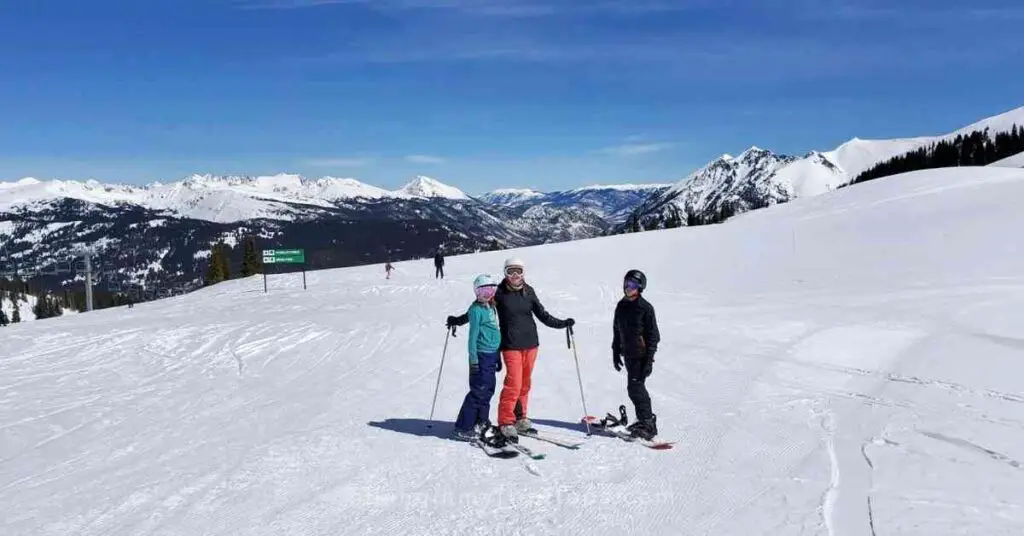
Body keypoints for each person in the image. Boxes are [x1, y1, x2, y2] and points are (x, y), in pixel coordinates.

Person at [447, 257, 574, 442]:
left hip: (531, 344)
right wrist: (457, 321)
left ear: (523, 272)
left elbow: (542, 314)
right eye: (510, 271)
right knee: (513, 384)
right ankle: (506, 421)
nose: (515, 275)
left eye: (518, 271)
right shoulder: (498, 292)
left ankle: (520, 418)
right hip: (510, 345)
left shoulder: (528, 291)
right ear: (505, 273)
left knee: (525, 384)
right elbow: (477, 310)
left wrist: (562, 324)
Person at [451, 274, 503, 441]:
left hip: (491, 355)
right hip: (481, 356)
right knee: (478, 392)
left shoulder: (491, 307)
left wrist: (498, 356)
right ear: (476, 292)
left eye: (491, 290)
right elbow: (472, 338)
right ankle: (463, 426)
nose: (487, 294)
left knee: (488, 390)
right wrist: (473, 361)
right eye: (483, 291)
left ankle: (481, 421)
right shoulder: (475, 310)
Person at [612, 269, 661, 440]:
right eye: (626, 283)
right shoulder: (621, 305)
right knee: (634, 388)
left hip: (641, 355)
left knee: (636, 388)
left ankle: (648, 423)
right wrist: (615, 351)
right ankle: (642, 419)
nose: (628, 287)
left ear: (640, 287)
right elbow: (617, 330)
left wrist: (649, 360)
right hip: (628, 354)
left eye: (632, 284)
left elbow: (654, 336)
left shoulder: (645, 308)